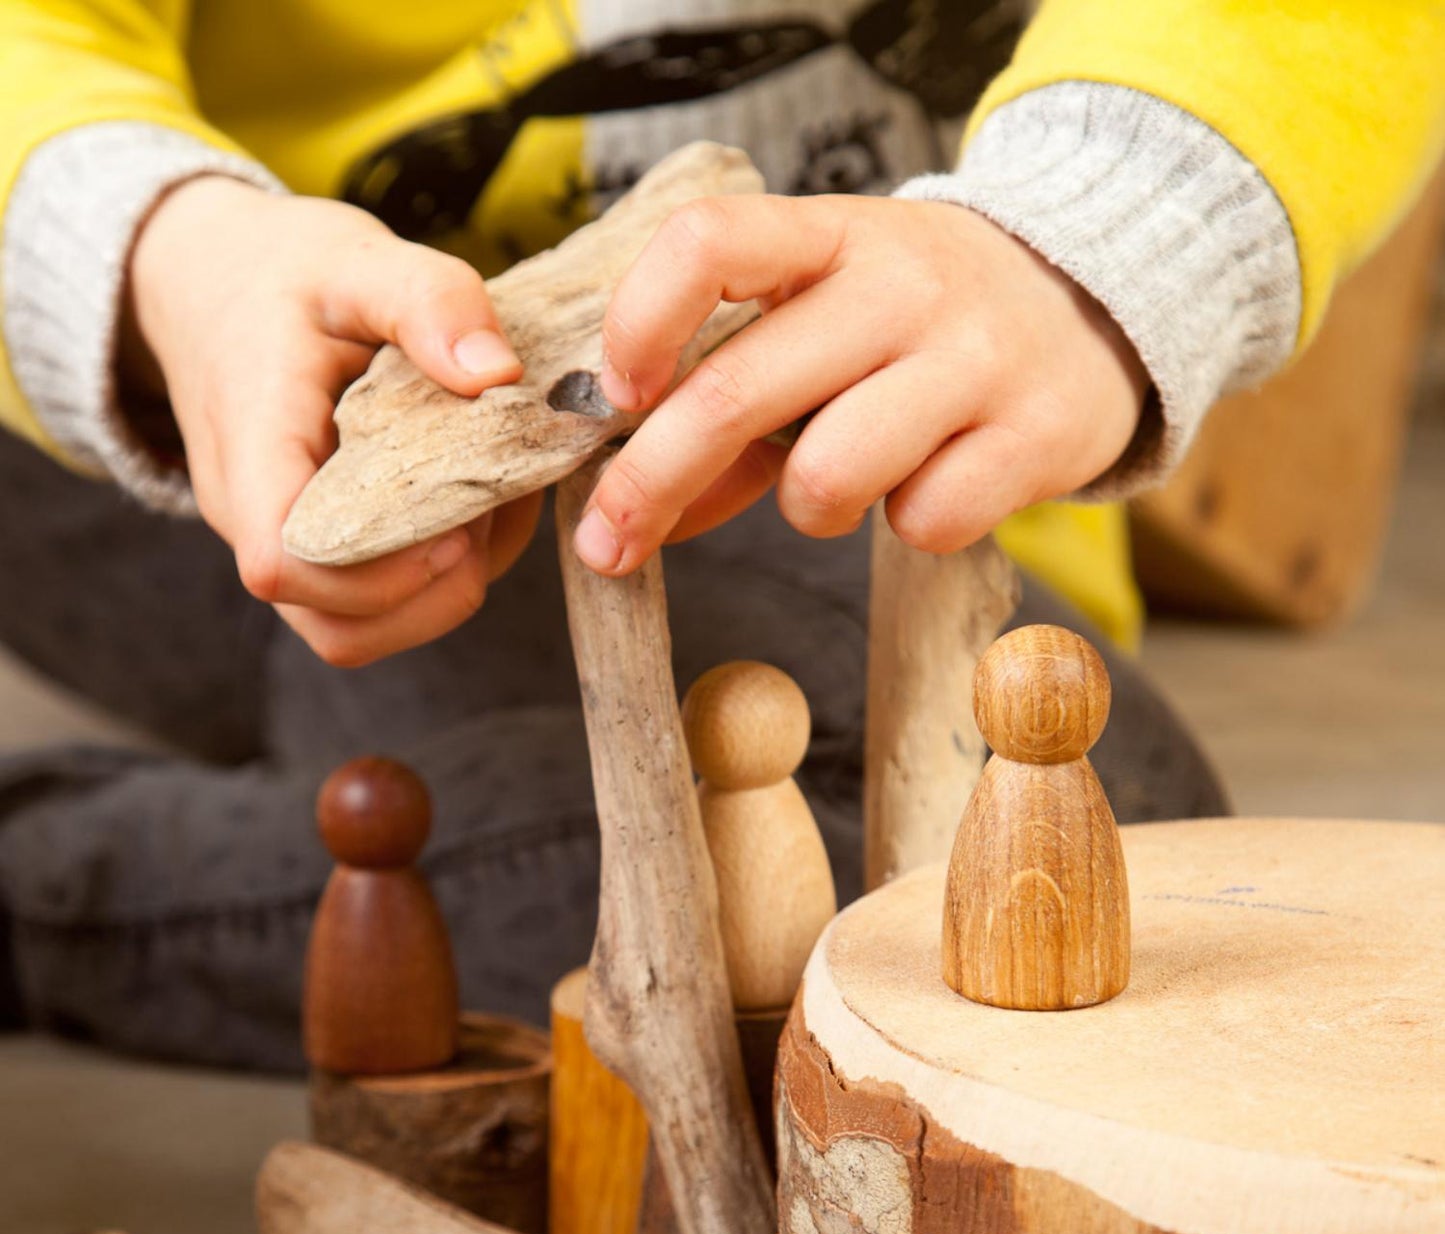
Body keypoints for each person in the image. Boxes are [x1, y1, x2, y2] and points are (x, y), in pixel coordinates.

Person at [0, 1, 1439, 1068]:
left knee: (1065, 890)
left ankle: (147, 856)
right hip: (168, 392)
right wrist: (143, 245)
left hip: (844, 486)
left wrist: (1098, 227)